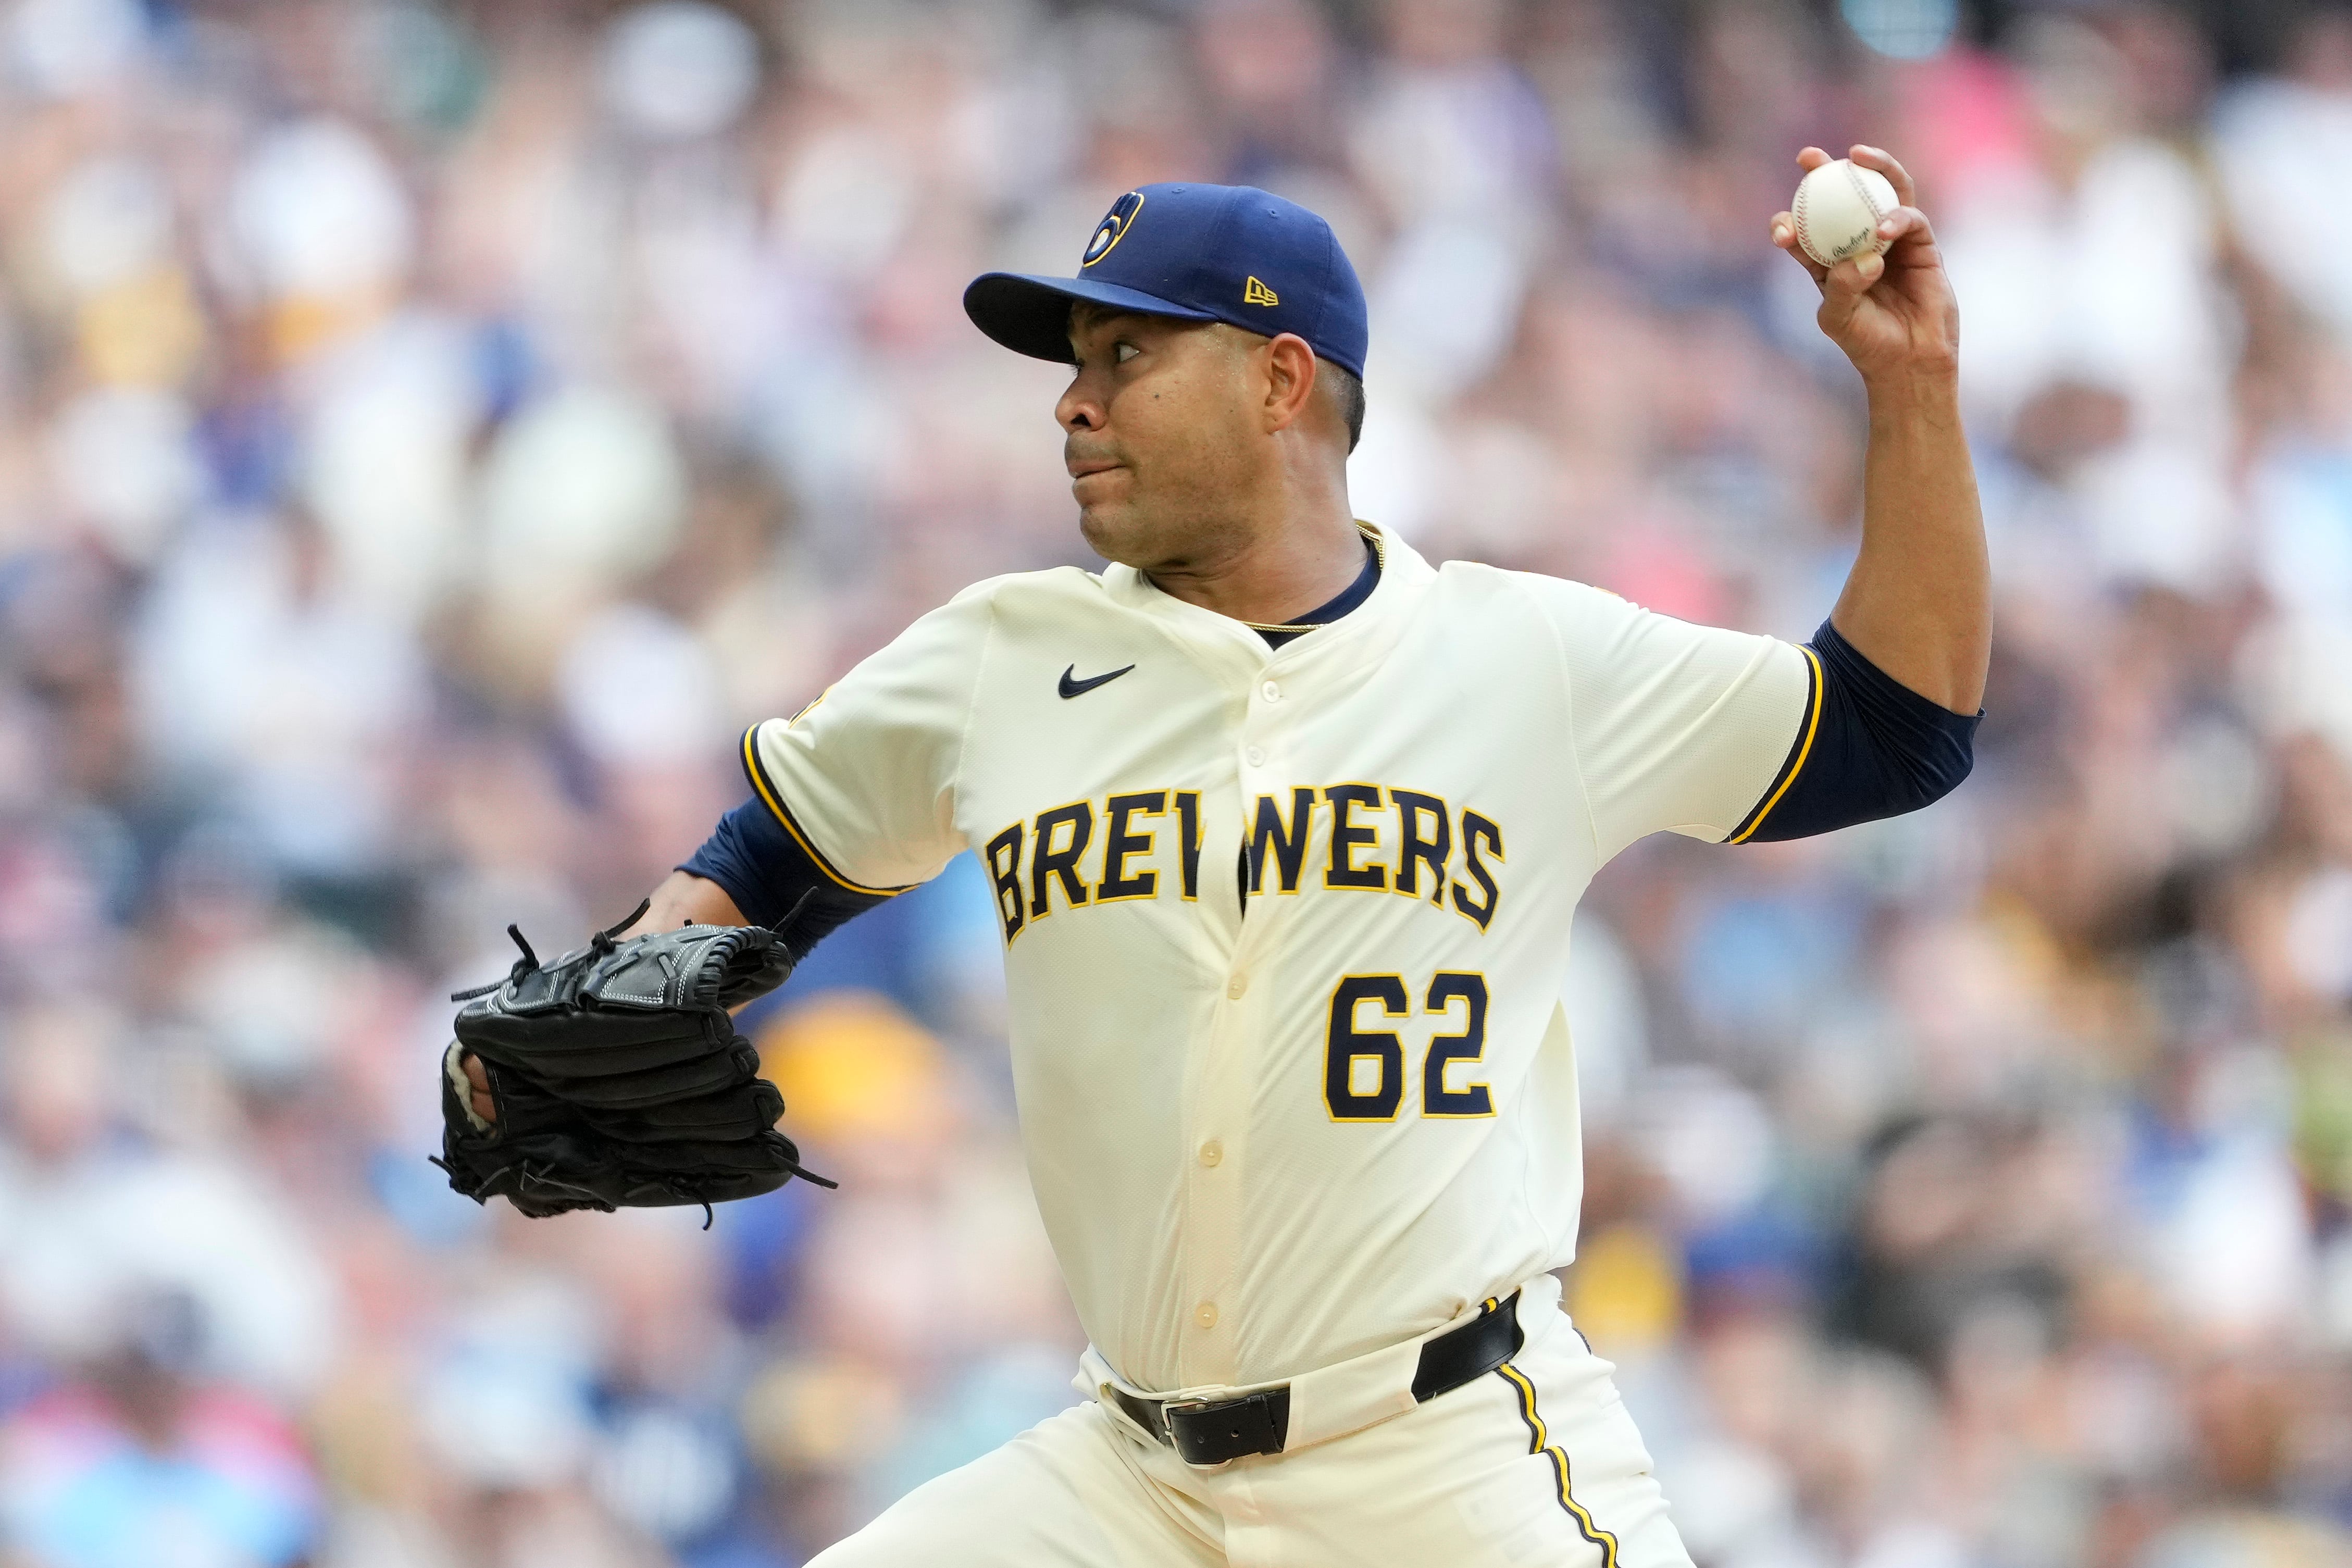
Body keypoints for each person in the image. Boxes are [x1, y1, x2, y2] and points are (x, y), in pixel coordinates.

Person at [464, 148, 1986, 1565]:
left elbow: (1896, 726)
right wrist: (604, 1004)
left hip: (1441, 1461)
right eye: (1074, 365)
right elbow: (765, 860)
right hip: (1130, 1480)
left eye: (1128, 354)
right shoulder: (1001, 656)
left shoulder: (1522, 660)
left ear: (1278, 380)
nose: (1075, 401)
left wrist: (1909, 387)